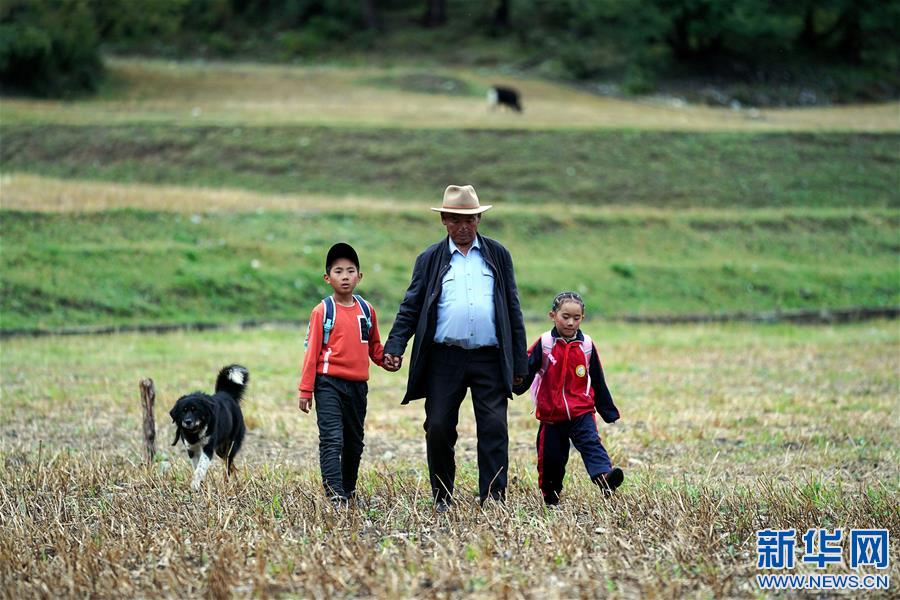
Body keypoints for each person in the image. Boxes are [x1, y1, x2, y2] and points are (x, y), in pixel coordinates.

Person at [383, 184, 528, 510]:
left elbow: (512, 310)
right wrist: (395, 345)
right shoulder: (430, 259)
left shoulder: (498, 255)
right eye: (455, 220)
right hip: (443, 358)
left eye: (470, 220)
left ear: (478, 219)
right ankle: (442, 497)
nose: (463, 227)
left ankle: (493, 498)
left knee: (494, 427)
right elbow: (411, 306)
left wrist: (520, 364)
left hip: (489, 357)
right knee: (437, 426)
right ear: (444, 221)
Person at [297, 242, 390, 506]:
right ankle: (335, 494)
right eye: (338, 271)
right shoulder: (322, 311)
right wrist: (306, 390)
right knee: (332, 439)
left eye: (351, 270)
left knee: (354, 442)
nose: (345, 276)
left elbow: (374, 346)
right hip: (328, 384)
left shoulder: (366, 310)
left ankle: (348, 490)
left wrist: (387, 360)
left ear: (360, 276)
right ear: (328, 278)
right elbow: (312, 352)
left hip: (358, 387)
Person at [514, 291, 624, 506]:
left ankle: (605, 478)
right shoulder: (545, 343)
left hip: (581, 411)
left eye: (576, 318)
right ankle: (550, 497)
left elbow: (598, 380)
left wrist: (608, 411)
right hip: (551, 417)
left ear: (582, 318)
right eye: (565, 317)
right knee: (551, 461)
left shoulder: (587, 346)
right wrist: (515, 384)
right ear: (552, 315)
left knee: (592, 445)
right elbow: (526, 369)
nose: (571, 322)